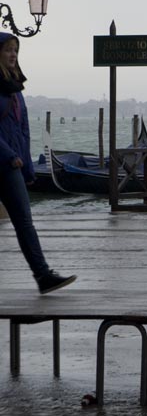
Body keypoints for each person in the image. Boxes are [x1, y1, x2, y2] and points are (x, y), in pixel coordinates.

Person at [0, 33, 76, 294]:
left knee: (24, 221)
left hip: (13, 167)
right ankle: (43, 275)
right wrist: (10, 155)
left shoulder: (15, 87)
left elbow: (23, 129)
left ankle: (43, 276)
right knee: (24, 222)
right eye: (8, 50)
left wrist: (28, 166)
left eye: (15, 51)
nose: (13, 55)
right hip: (5, 161)